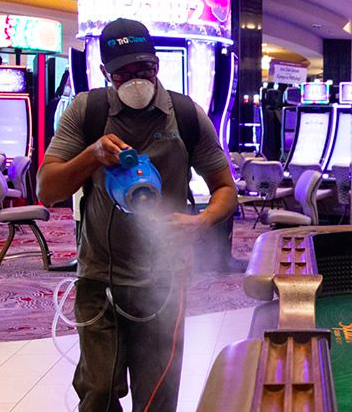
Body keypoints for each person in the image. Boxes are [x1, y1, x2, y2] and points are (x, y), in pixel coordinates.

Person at [37, 18, 237, 411]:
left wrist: (202, 221)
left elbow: (225, 189)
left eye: (144, 67)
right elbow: (48, 189)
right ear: (105, 72)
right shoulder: (88, 110)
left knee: (158, 396)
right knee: (98, 391)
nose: (137, 79)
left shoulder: (185, 115)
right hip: (100, 279)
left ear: (157, 63)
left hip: (164, 282)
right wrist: (92, 154)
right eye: (124, 72)